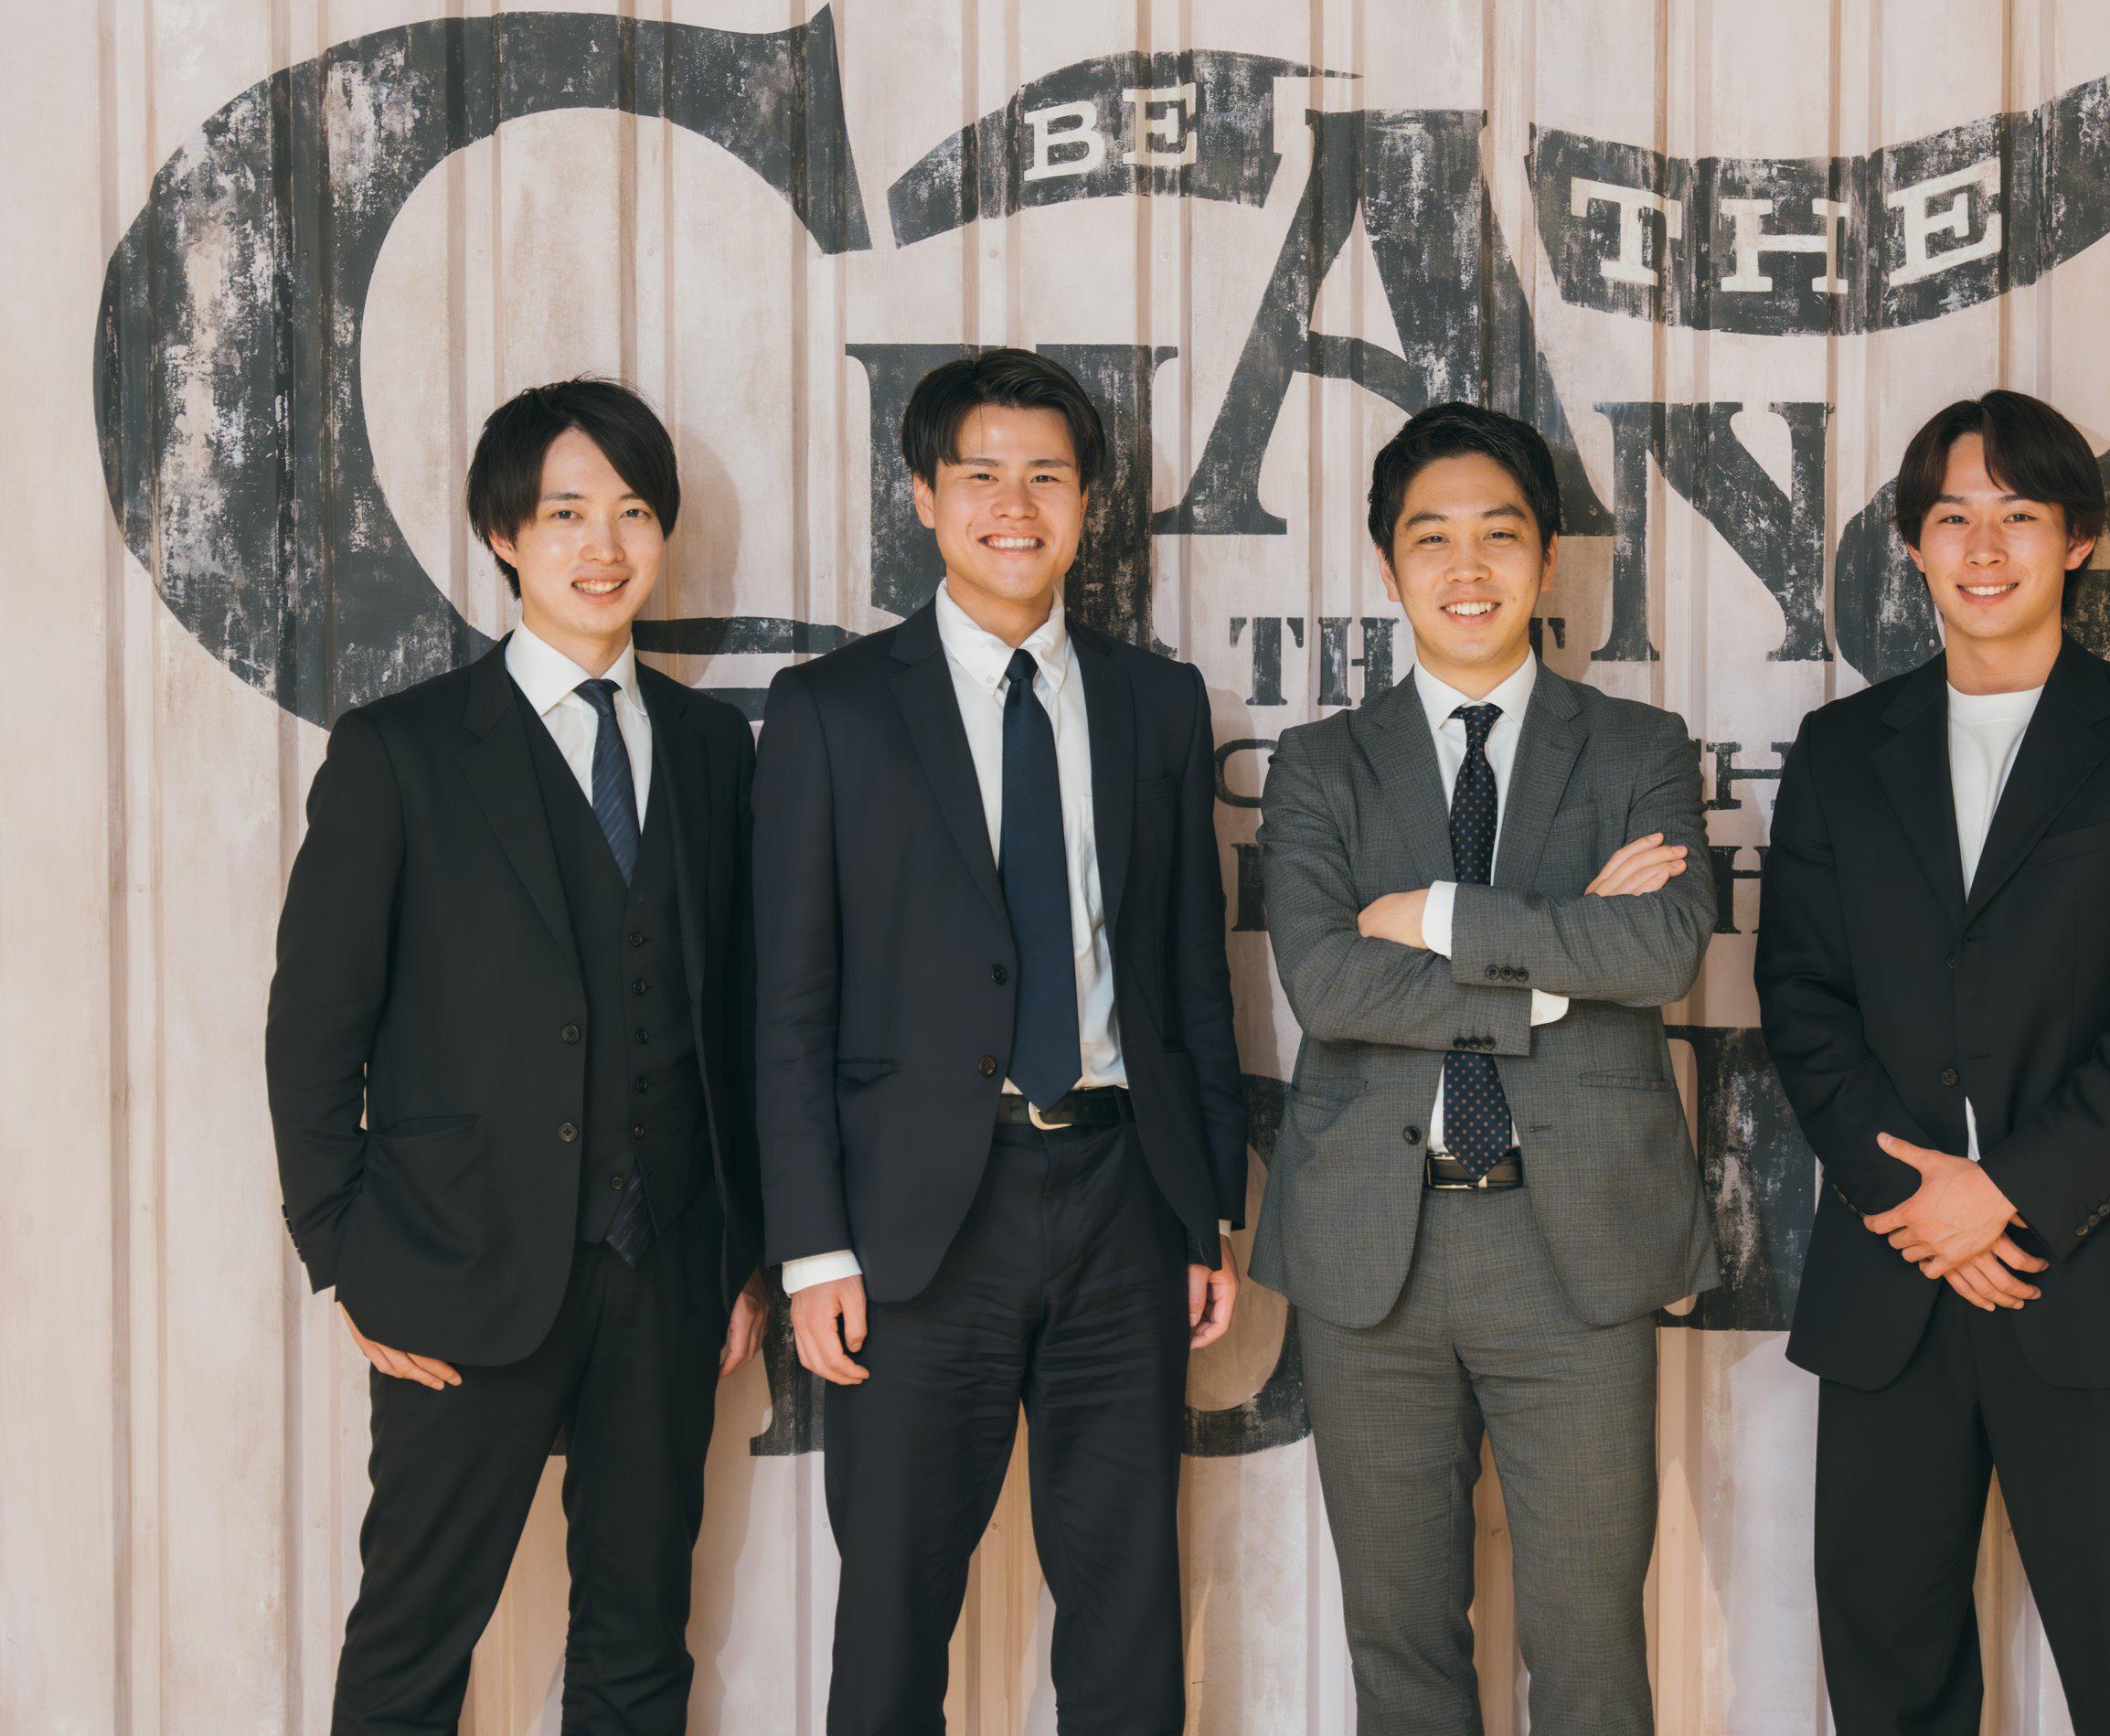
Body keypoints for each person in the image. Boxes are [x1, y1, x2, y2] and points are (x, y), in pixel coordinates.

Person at [753, 347, 1248, 1733]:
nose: (1013, 506)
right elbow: (786, 1003)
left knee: (1128, 1610)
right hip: (918, 1224)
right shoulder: (832, 709)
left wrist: (1206, 1211)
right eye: (980, 474)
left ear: (1087, 503)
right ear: (923, 494)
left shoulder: (1156, 703)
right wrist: (813, 1247)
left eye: (1047, 476)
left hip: (1123, 1201)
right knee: (895, 1616)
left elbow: (1188, 976)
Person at [267, 378, 770, 1734]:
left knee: (640, 1642)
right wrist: (348, 1253)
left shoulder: (715, 751)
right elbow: (313, 1028)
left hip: (668, 1267)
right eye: (564, 514)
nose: (603, 546)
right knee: (415, 1641)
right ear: (503, 534)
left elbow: (735, 1016)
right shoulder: (401, 752)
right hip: (456, 1268)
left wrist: (742, 1251)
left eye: (632, 512)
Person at [1755, 389, 2110, 1733]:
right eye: (1953, 518)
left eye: (2019, 515)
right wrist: (1917, 1201)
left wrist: (2008, 1192)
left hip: (2094, 1278)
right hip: (1893, 1283)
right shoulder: (1841, 751)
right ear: (1914, 544)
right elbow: (1801, 995)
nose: (1984, 548)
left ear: (2077, 540)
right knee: (1890, 1683)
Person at [1252, 400, 1719, 1734]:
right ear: (1388, 563)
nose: (1468, 568)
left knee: (1589, 1650)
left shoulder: (1639, 748)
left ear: (1548, 556)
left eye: (1500, 535)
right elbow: (1331, 984)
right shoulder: (1320, 765)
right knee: (1399, 1648)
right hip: (1373, 1253)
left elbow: (1664, 947)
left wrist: (1440, 917)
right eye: (1432, 538)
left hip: (1574, 1246)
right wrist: (1561, 972)